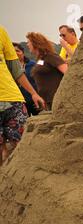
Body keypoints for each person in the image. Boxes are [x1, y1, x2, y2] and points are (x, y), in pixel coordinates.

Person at [0, 25, 45, 166]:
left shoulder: (1, 31)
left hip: (13, 101)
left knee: (22, 148)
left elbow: (15, 69)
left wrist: (33, 93)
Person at [27, 32, 68, 110]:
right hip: (47, 101)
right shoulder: (40, 59)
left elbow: (68, 73)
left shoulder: (51, 56)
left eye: (29, 42)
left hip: (57, 99)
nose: (27, 45)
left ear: (36, 43)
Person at [13, 42, 40, 116]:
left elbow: (44, 64)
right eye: (13, 51)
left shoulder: (33, 64)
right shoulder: (9, 68)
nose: (15, 53)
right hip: (20, 102)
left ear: (23, 52)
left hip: (34, 99)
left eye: (17, 51)